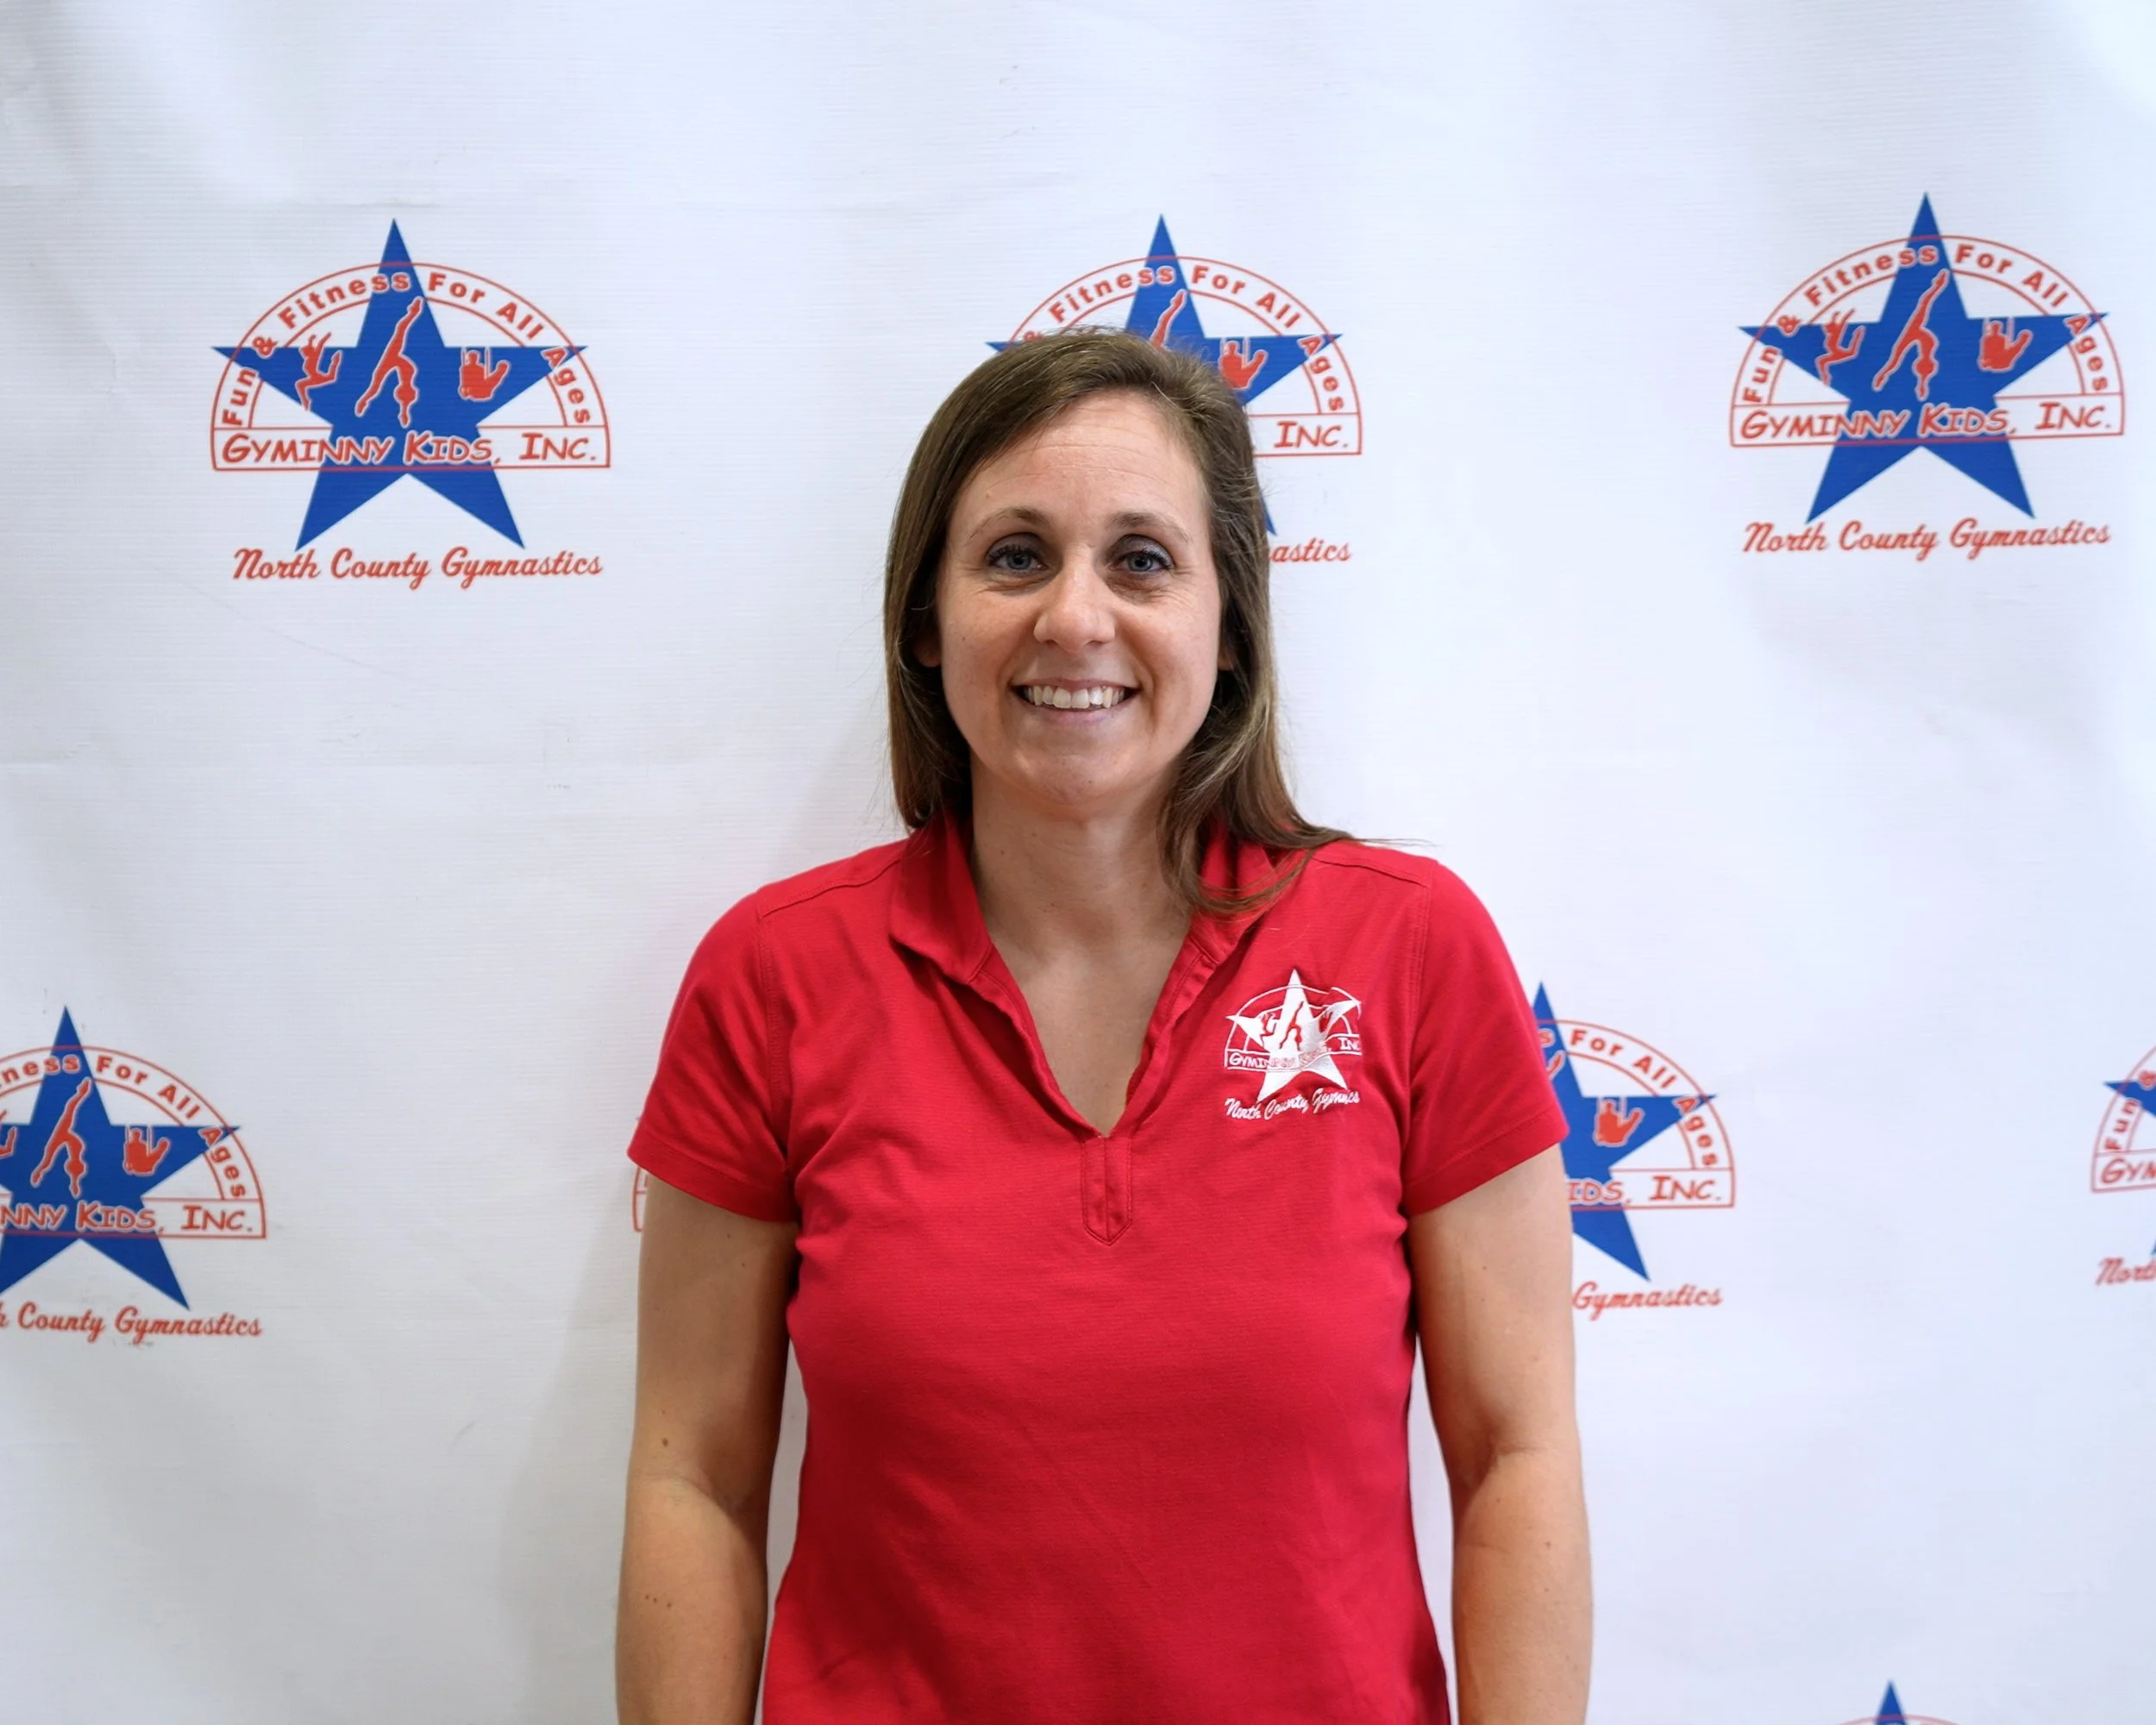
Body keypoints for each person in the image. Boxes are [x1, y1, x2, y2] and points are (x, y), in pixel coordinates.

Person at [616, 329, 1589, 1724]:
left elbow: (1517, 1457)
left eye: (1142, 560)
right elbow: (692, 1477)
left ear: (1230, 625)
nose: (1076, 618)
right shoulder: (772, 978)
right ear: (925, 621)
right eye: (1015, 556)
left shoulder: (1412, 948)